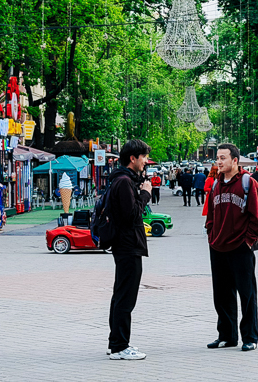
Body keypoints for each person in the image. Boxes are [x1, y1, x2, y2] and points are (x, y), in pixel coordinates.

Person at [205, 143, 258, 352]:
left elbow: (257, 218)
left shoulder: (248, 183)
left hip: (240, 247)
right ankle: (227, 336)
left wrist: (247, 242)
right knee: (221, 295)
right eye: (217, 158)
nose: (219, 162)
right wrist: (211, 235)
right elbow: (210, 216)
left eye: (223, 158)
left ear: (235, 161)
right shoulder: (215, 185)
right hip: (218, 246)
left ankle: (250, 337)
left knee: (246, 294)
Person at [106, 139, 153, 361]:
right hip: (127, 245)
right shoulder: (124, 182)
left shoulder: (121, 180)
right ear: (132, 158)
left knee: (120, 295)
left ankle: (115, 341)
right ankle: (119, 346)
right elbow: (132, 215)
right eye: (143, 157)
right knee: (126, 297)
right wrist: (145, 193)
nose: (145, 161)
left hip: (125, 245)